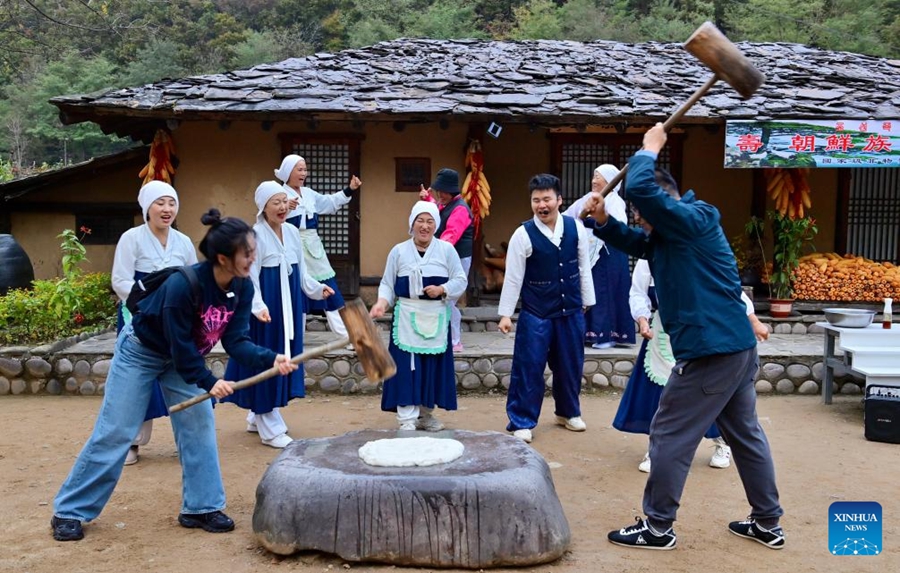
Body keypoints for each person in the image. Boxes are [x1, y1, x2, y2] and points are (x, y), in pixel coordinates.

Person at [584, 123, 784, 551]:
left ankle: (658, 528)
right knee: (744, 434)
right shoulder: (669, 235)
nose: (637, 217)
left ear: (661, 200)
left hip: (712, 352)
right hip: (732, 349)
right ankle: (768, 522)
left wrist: (649, 148)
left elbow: (642, 188)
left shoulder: (694, 217)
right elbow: (637, 243)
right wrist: (604, 221)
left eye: (640, 210)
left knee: (669, 433)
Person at [50, 209, 297, 542]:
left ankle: (201, 507)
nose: (254, 258)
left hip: (182, 357)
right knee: (117, 430)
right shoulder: (184, 285)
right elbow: (182, 350)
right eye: (248, 253)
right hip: (142, 351)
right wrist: (211, 383)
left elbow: (237, 341)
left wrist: (272, 359)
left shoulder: (242, 288)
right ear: (223, 258)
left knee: (199, 427)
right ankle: (70, 510)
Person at [615, 256, 769, 473]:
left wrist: (753, 321)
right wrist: (642, 319)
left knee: (712, 390)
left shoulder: (701, 245)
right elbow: (638, 292)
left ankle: (722, 443)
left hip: (705, 331)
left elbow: (732, 289)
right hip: (664, 332)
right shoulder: (648, 255)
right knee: (659, 392)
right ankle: (658, 448)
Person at [222, 182, 333, 448]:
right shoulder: (254, 236)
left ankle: (256, 414)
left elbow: (302, 271)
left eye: (285, 201)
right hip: (267, 309)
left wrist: (317, 289)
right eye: (276, 202)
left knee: (284, 355)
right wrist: (258, 306)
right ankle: (269, 425)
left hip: (290, 307)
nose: (283, 207)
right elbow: (250, 277)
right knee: (268, 358)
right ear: (263, 206)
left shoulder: (294, 232)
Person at [498, 174, 595, 444]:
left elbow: (583, 267)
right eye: (536, 200)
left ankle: (568, 412)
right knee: (529, 367)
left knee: (570, 364)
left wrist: (587, 300)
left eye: (547, 199)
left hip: (571, 310)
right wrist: (506, 313)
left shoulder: (575, 228)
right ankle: (521, 420)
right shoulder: (523, 234)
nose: (542, 205)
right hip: (536, 313)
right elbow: (514, 277)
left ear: (559, 200)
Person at [111, 181, 198, 466]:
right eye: (160, 203)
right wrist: (149, 306)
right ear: (147, 207)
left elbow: (194, 279)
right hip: (139, 320)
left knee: (182, 379)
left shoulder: (183, 242)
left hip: (175, 323)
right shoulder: (131, 238)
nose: (167, 209)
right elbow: (121, 280)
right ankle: (132, 442)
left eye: (171, 203)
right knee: (137, 384)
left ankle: (188, 442)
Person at [369, 201, 467, 431]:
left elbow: (460, 279)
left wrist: (442, 290)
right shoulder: (399, 251)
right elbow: (387, 283)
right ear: (411, 224)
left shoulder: (446, 250)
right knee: (405, 368)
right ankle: (407, 418)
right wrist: (382, 303)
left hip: (435, 317)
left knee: (430, 367)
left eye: (430, 221)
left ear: (436, 225)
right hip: (406, 317)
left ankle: (425, 414)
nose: (424, 226)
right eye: (420, 221)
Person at [274, 155, 361, 339]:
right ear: (288, 171)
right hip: (290, 246)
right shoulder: (278, 194)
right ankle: (295, 339)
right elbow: (268, 217)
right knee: (296, 290)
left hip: (313, 248)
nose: (304, 173)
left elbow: (328, 203)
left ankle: (347, 336)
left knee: (329, 288)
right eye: (300, 169)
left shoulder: (309, 193)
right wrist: (284, 207)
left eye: (305, 169)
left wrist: (349, 189)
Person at [563, 165, 635, 349]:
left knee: (606, 292)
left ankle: (606, 335)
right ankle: (590, 333)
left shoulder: (614, 200)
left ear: (609, 180)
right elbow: (568, 216)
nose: (594, 181)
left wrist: (593, 220)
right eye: (593, 176)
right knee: (590, 290)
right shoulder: (588, 199)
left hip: (609, 252)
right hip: (591, 253)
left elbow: (618, 225)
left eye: (598, 177)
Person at [419, 168, 475, 352]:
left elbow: (450, 236)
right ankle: (446, 338)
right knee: (444, 300)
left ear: (450, 191)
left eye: (441, 191)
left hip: (458, 259)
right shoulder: (447, 204)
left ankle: (455, 341)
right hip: (447, 259)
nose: (438, 194)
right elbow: (437, 208)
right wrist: (427, 199)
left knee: (449, 298)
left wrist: (429, 251)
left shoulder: (460, 210)